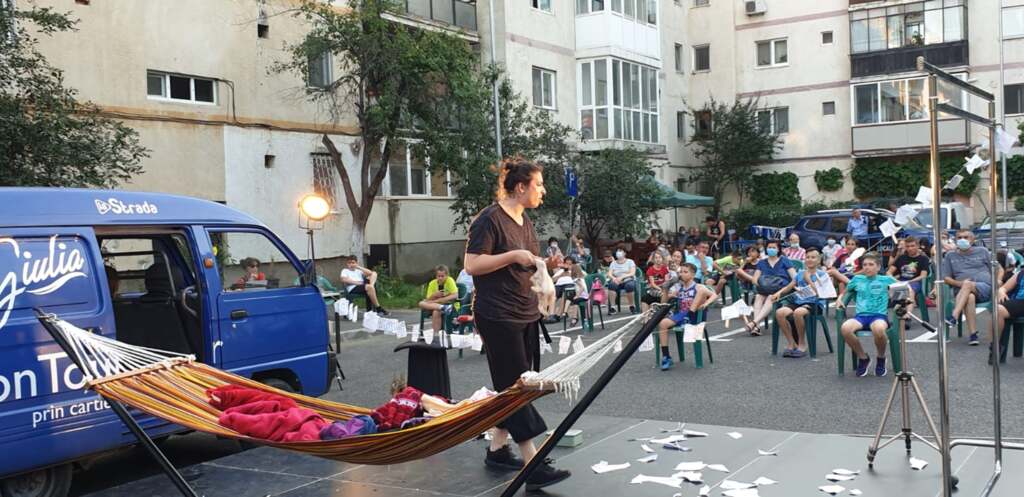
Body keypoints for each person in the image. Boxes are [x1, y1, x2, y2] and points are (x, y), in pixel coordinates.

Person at [462, 157, 571, 490]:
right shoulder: (489, 219)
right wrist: (512, 256)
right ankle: (533, 465)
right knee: (516, 386)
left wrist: (546, 264)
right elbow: (472, 264)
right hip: (498, 314)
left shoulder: (524, 221)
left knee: (515, 384)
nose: (543, 190)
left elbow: (525, 264)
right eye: (539, 184)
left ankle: (497, 450)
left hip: (526, 312)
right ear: (521, 187)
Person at [829, 253, 897, 377]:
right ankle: (863, 358)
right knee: (845, 328)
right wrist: (839, 298)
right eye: (865, 265)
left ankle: (881, 357)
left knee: (878, 329)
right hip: (861, 316)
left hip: (878, 315)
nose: (867, 267)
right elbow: (846, 291)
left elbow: (905, 288)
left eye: (871, 264)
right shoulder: (857, 279)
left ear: (878, 267)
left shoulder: (886, 279)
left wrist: (903, 299)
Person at [942, 230, 999, 346]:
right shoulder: (950, 255)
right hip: (962, 291)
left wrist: (999, 281)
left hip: (985, 287)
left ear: (972, 240)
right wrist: (960, 283)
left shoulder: (982, 251)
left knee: (967, 284)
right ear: (955, 240)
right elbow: (946, 278)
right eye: (959, 237)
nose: (962, 240)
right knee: (970, 297)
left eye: (966, 237)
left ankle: (954, 315)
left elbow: (998, 269)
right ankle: (973, 334)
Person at [656, 263, 716, 371]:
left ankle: (688, 317)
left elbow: (714, 295)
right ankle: (666, 356)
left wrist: (706, 304)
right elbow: (663, 303)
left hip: (697, 316)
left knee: (701, 291)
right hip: (682, 315)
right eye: (680, 272)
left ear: (693, 275)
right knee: (663, 323)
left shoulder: (698, 286)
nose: (682, 274)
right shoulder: (680, 289)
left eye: (685, 272)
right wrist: (665, 289)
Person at [774, 248, 827, 358]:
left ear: (818, 260)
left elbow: (821, 293)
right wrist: (778, 293)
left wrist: (808, 280)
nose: (810, 259)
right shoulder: (800, 273)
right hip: (799, 301)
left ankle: (802, 344)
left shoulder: (822, 274)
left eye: (813, 257)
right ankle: (791, 343)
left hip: (815, 304)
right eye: (807, 257)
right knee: (780, 312)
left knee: (798, 312)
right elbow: (789, 287)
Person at [747, 240, 795, 336]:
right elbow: (754, 279)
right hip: (765, 289)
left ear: (778, 249)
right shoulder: (761, 263)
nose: (771, 249)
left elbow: (795, 278)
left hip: (781, 290)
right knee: (758, 297)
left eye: (774, 247)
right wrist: (762, 286)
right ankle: (756, 327)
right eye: (769, 247)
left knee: (770, 297)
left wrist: (783, 290)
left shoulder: (785, 261)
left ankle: (754, 323)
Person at [886, 236, 929, 327]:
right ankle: (886, 318)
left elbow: (923, 275)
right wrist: (895, 280)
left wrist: (910, 281)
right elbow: (889, 272)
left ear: (917, 246)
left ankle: (907, 316)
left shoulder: (923, 259)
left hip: (915, 282)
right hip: (900, 281)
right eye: (908, 246)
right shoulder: (902, 258)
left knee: (909, 290)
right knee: (888, 289)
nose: (910, 248)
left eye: (912, 246)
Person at [418, 265, 459, 333]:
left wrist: (438, 300)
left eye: (442, 276)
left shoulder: (450, 280)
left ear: (447, 276)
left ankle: (436, 335)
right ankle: (443, 308)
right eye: (438, 276)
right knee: (421, 303)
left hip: (449, 304)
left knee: (436, 311)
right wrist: (434, 295)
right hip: (434, 305)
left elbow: (455, 295)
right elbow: (428, 299)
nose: (440, 278)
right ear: (436, 276)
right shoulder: (432, 283)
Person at [606, 248, 638, 315]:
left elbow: (632, 273)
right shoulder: (613, 263)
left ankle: (632, 306)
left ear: (625, 253)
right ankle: (613, 307)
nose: (619, 253)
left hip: (628, 279)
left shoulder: (630, 261)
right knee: (611, 285)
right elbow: (609, 274)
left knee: (629, 286)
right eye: (617, 251)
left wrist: (622, 277)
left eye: (620, 251)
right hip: (617, 280)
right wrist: (614, 278)